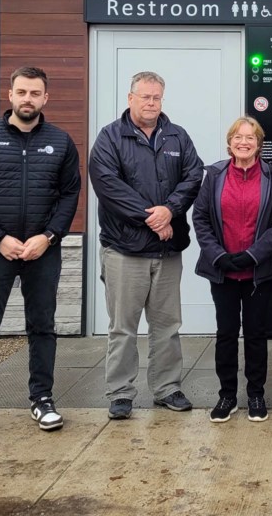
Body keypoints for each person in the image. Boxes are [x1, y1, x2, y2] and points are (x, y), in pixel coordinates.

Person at [0, 66, 81, 447]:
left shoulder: (60, 142)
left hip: (43, 251)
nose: (28, 99)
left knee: (42, 328)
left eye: (35, 93)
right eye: (22, 92)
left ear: (45, 98)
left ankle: (42, 399)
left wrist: (49, 236)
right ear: (10, 95)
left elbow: (69, 194)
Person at [88, 71, 203, 420]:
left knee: (167, 326)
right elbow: (108, 185)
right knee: (123, 327)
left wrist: (170, 210)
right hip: (124, 251)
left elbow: (193, 175)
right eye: (145, 97)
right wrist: (153, 218)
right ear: (130, 98)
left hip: (167, 252)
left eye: (157, 97)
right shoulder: (110, 138)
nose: (151, 103)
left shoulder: (177, 136)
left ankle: (167, 388)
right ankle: (120, 393)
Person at [192, 116, 272, 423]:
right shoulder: (214, 174)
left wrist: (252, 255)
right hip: (222, 270)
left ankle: (256, 394)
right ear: (230, 142)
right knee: (225, 334)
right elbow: (201, 218)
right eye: (238, 137)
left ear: (259, 143)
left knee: (255, 334)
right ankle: (226, 395)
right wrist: (218, 255)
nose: (244, 142)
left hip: (257, 272)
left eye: (250, 137)